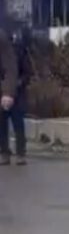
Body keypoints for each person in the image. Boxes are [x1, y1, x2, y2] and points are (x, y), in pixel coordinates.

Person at [0, 28, 26, 166]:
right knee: (2, 125)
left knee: (18, 124)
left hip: (16, 93)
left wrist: (12, 89)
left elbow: (22, 71)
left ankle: (20, 153)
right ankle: (4, 152)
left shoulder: (17, 51)